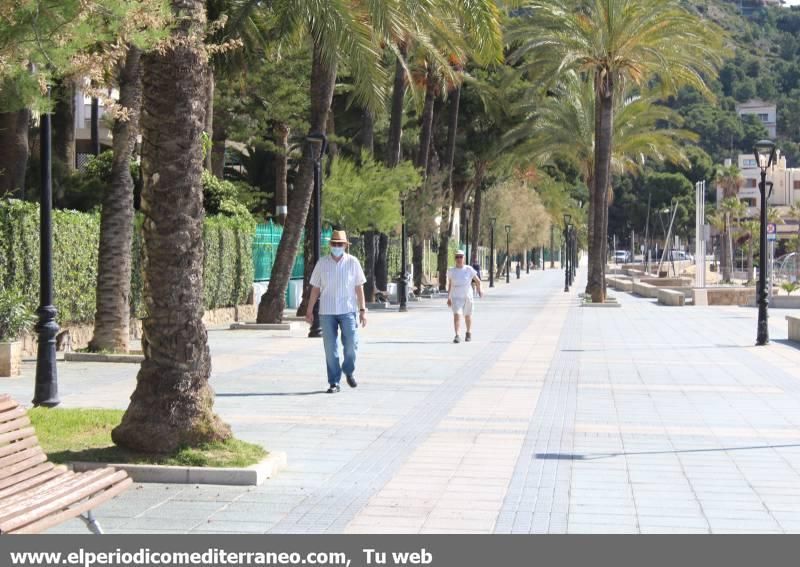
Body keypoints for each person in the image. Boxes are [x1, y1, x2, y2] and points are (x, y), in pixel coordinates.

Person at [305, 230, 367, 393]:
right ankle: (334, 382)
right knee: (330, 347)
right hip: (327, 311)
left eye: (340, 244)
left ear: (345, 246)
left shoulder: (353, 262)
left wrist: (362, 310)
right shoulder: (322, 263)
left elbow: (359, 288)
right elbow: (315, 289)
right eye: (334, 244)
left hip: (348, 310)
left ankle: (348, 370)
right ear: (330, 245)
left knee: (351, 345)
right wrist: (309, 310)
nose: (337, 247)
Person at [447, 250, 483, 343]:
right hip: (456, 297)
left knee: (467, 316)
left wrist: (480, 290)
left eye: (461, 257)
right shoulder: (451, 271)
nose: (459, 259)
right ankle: (457, 335)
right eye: (457, 257)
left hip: (467, 296)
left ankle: (468, 332)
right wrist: (449, 297)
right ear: (455, 259)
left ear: (464, 258)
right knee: (457, 315)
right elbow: (450, 284)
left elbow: (478, 281)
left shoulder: (469, 269)